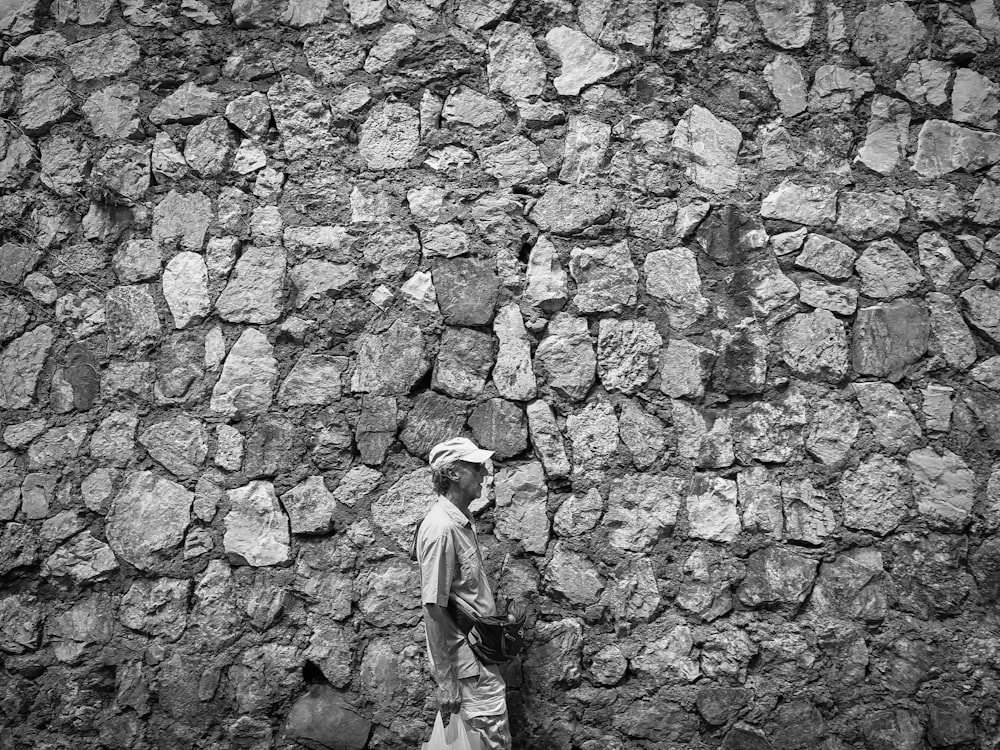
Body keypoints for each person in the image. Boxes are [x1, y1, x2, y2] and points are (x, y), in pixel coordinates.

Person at [414, 437, 512, 750]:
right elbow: (434, 608)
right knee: (490, 741)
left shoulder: (460, 519)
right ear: (454, 473)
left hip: (478, 658)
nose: (484, 473)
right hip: (468, 668)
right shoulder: (441, 528)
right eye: (475, 466)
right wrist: (446, 682)